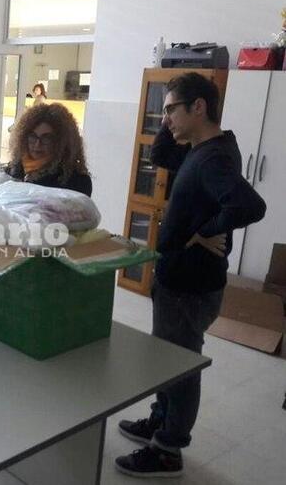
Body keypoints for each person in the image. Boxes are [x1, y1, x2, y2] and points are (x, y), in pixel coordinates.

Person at [114, 72, 266, 478]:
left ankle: (168, 449)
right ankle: (160, 419)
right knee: (167, 357)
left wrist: (205, 231)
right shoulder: (202, 148)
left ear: (198, 107)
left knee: (180, 364)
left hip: (191, 284)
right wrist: (169, 124)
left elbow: (250, 206)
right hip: (179, 278)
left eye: (171, 110)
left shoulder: (213, 157)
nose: (166, 119)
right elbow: (162, 156)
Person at [6, 103, 92, 196]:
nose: (37, 144)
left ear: (61, 143)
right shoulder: (13, 171)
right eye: (33, 136)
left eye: (46, 138)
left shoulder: (77, 181)